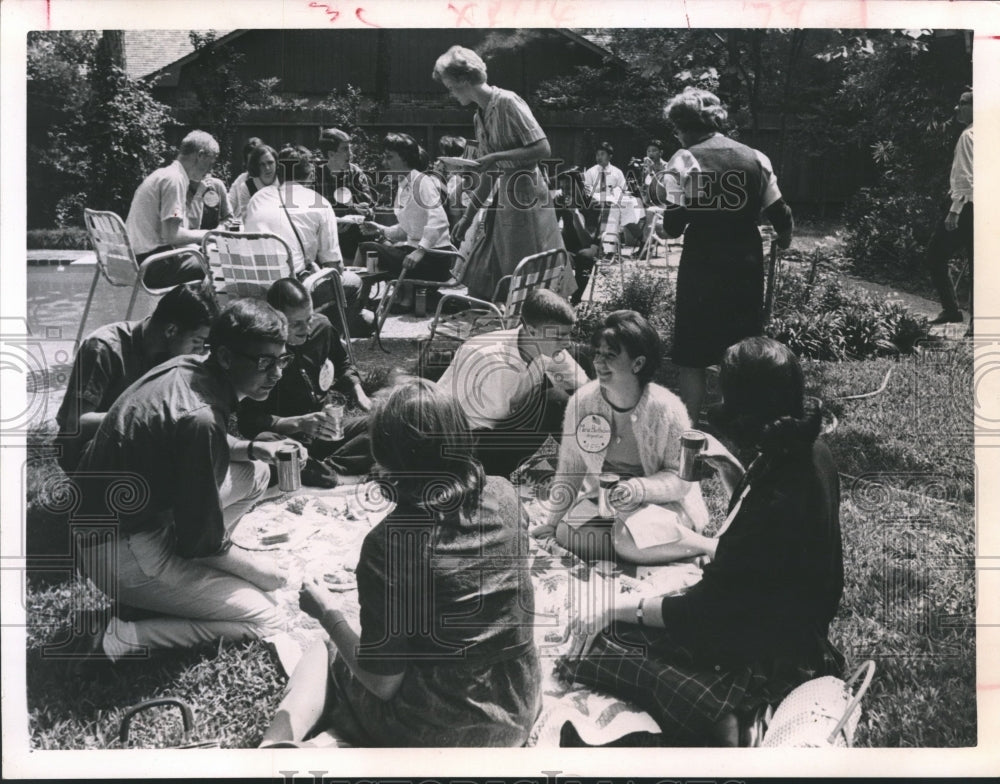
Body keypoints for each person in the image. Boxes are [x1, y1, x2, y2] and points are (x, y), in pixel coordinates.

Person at [560, 337, 844, 747]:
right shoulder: (808, 450)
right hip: (796, 627)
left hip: (765, 647)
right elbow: (753, 528)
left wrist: (619, 608)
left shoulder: (780, 487)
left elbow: (704, 612)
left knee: (598, 645)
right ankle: (721, 706)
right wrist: (730, 467)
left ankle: (717, 715)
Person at [260, 380, 541, 747]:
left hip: (440, 730)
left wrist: (328, 612)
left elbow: (383, 682)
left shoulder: (387, 545)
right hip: (517, 705)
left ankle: (272, 749)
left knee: (325, 648)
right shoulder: (504, 493)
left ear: (382, 456)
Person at [69, 299, 309, 663]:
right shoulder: (201, 416)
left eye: (282, 359)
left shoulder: (188, 367)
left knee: (256, 472)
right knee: (269, 615)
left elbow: (189, 442)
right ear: (226, 357)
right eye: (264, 362)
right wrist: (264, 573)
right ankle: (126, 636)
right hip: (119, 551)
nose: (276, 373)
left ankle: (182, 580)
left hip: (117, 525)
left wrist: (254, 447)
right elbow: (200, 540)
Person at [652, 87, 793, 423]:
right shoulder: (755, 157)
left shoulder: (685, 160)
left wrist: (661, 227)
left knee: (693, 352)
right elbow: (780, 213)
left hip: (702, 264)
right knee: (741, 346)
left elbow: (672, 225)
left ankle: (690, 422)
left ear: (682, 128)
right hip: (744, 262)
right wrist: (785, 239)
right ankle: (741, 416)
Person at [538, 310, 710, 563]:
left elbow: (682, 481)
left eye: (610, 355)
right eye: (597, 353)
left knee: (626, 536)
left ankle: (707, 546)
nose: (598, 362)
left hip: (663, 504)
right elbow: (571, 467)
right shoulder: (582, 402)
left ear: (638, 364)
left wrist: (639, 489)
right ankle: (655, 549)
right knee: (568, 533)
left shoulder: (668, 408)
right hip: (609, 506)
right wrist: (552, 523)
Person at [433, 45, 569, 301]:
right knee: (494, 268)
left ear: (464, 79)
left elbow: (543, 148)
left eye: (451, 86)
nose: (451, 94)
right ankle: (506, 324)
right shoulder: (479, 115)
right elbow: (490, 173)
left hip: (527, 196)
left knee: (529, 273)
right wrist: (468, 217)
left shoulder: (507, 101)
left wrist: (496, 157)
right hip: (504, 197)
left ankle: (538, 324)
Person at [54, 282, 220, 473]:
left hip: (133, 444)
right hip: (86, 451)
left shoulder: (174, 356)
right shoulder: (103, 347)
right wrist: (149, 420)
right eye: (197, 341)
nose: (199, 351)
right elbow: (77, 423)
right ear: (171, 331)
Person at [437, 287, 591, 477]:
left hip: (507, 425)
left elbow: (583, 384)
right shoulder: (485, 355)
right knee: (553, 401)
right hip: (468, 441)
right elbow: (440, 411)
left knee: (569, 394)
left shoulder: (547, 347)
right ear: (532, 331)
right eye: (559, 336)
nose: (566, 342)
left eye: (568, 334)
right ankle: (498, 477)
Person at [237, 277, 374, 487]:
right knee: (269, 443)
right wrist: (299, 423)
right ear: (275, 320)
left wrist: (361, 395)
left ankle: (323, 470)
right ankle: (331, 473)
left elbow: (343, 362)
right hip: (288, 438)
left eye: (309, 318)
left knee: (379, 424)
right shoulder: (261, 353)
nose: (307, 329)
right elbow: (249, 422)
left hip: (326, 429)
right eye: (296, 324)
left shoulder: (322, 328)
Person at [244, 144, 364, 328]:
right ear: (310, 174)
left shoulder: (257, 199)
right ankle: (322, 338)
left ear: (279, 171)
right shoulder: (319, 202)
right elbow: (334, 266)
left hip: (254, 288)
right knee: (354, 282)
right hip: (292, 292)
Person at [356, 133, 460, 312]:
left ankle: (354, 303)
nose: (384, 162)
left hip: (434, 258)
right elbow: (407, 230)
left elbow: (440, 221)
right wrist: (380, 229)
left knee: (367, 247)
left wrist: (420, 251)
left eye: (390, 157)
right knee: (373, 245)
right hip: (420, 255)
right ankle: (365, 301)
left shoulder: (422, 182)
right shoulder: (405, 185)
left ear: (405, 158)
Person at [124, 129, 219, 288]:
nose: (210, 169)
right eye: (211, 162)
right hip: (152, 266)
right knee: (218, 264)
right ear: (200, 155)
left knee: (206, 255)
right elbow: (171, 235)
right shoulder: (175, 180)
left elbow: (168, 234)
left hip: (139, 260)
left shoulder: (163, 174)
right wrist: (209, 235)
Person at [925, 88, 973, 335]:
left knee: (935, 255)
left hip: (967, 209)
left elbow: (965, 177)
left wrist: (954, 210)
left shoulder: (969, 136)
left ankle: (952, 309)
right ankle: (976, 323)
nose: (957, 108)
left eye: (963, 103)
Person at [315, 127, 378, 262]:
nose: (350, 154)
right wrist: (348, 211)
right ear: (331, 154)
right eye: (345, 149)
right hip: (326, 238)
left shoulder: (355, 172)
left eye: (350, 149)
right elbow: (316, 213)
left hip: (355, 237)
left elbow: (369, 209)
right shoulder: (316, 176)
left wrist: (365, 210)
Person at [554, 168, 601, 305]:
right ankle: (557, 298)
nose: (565, 191)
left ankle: (575, 301)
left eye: (568, 187)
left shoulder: (593, 204)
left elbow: (587, 241)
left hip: (589, 245)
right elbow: (552, 227)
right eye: (562, 188)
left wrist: (574, 213)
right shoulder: (561, 200)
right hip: (568, 242)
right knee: (553, 255)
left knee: (585, 256)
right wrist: (562, 248)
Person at [230, 144, 280, 221]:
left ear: (276, 162)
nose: (267, 168)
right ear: (256, 166)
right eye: (262, 164)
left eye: (270, 162)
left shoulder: (284, 182)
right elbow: (247, 219)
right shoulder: (247, 187)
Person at [227, 136, 265, 219]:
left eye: (257, 162)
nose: (254, 166)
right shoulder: (241, 179)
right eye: (251, 162)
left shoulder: (269, 181)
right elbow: (229, 203)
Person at [583, 141, 627, 209]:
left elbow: (623, 188)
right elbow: (587, 190)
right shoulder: (590, 172)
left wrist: (615, 191)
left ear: (610, 156)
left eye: (602, 154)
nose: (599, 157)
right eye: (597, 155)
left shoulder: (617, 172)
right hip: (595, 205)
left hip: (614, 205)